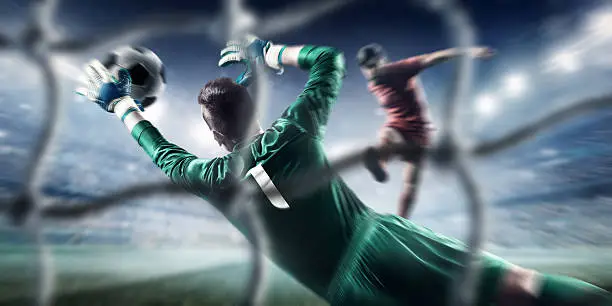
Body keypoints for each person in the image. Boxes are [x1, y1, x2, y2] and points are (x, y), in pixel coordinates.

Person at [76, 35, 610, 306]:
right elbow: (330, 60)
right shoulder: (294, 131)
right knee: (521, 288)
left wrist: (121, 106)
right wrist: (268, 51)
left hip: (346, 287)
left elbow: (161, 151)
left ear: (214, 133)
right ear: (253, 107)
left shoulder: (212, 178)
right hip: (381, 238)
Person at [357, 43, 495, 218]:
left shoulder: (399, 69)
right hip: (397, 125)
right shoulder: (373, 84)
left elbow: (432, 57)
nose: (372, 72)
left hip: (419, 131)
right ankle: (380, 169)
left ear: (382, 61)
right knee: (387, 135)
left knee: (411, 183)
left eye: (374, 65)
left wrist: (470, 52)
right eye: (367, 68)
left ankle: (402, 221)